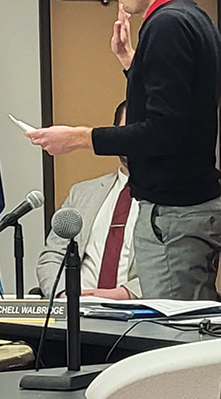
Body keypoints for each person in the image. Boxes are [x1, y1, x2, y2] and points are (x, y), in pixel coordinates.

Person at [26, 0, 221, 301]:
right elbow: (182, 107)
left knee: (170, 339)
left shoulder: (166, 25)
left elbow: (164, 131)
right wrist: (132, 65)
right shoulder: (194, 18)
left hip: (174, 213)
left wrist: (80, 138)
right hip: (188, 208)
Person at [37, 102, 140, 300]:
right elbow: (52, 255)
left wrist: (127, 294)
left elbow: (176, 267)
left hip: (137, 315)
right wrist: (63, 294)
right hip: (78, 313)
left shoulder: (171, 200)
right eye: (125, 132)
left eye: (137, 133)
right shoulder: (82, 193)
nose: (131, 141)